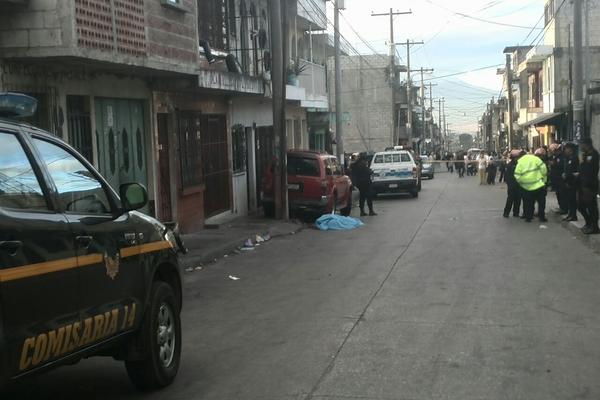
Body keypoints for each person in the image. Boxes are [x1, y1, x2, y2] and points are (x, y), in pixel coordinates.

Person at [515, 149, 548, 222]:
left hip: (526, 186)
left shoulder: (520, 162)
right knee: (541, 202)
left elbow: (517, 175)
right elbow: (544, 169)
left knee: (528, 202)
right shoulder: (536, 159)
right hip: (539, 185)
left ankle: (528, 217)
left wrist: (521, 183)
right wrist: (544, 181)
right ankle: (541, 217)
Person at [577, 138, 599, 234]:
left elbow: (590, 171)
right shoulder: (585, 155)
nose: (580, 147)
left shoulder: (594, 155)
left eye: (582, 145)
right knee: (581, 206)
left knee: (591, 207)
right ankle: (588, 223)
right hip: (582, 183)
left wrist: (582, 162)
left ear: (587, 144)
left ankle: (594, 227)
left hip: (590, 185)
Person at [561, 142, 579, 221]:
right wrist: (565, 174)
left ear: (570, 149)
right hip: (567, 181)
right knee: (569, 199)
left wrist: (569, 175)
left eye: (566, 148)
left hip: (572, 182)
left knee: (572, 200)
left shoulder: (574, 158)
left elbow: (576, 171)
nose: (565, 150)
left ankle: (573, 215)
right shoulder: (568, 158)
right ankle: (570, 214)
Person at [548, 143, 567, 214]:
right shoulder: (555, 156)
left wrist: (554, 164)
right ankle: (561, 207)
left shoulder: (561, 157)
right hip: (555, 179)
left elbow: (560, 166)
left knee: (562, 194)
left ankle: (564, 208)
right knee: (558, 193)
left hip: (560, 179)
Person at [503, 150, 522, 218]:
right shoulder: (509, 165)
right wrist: (510, 184)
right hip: (512, 185)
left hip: (518, 184)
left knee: (518, 200)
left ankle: (516, 213)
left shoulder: (519, 164)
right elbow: (507, 176)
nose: (518, 158)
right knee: (510, 199)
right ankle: (506, 213)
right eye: (516, 157)